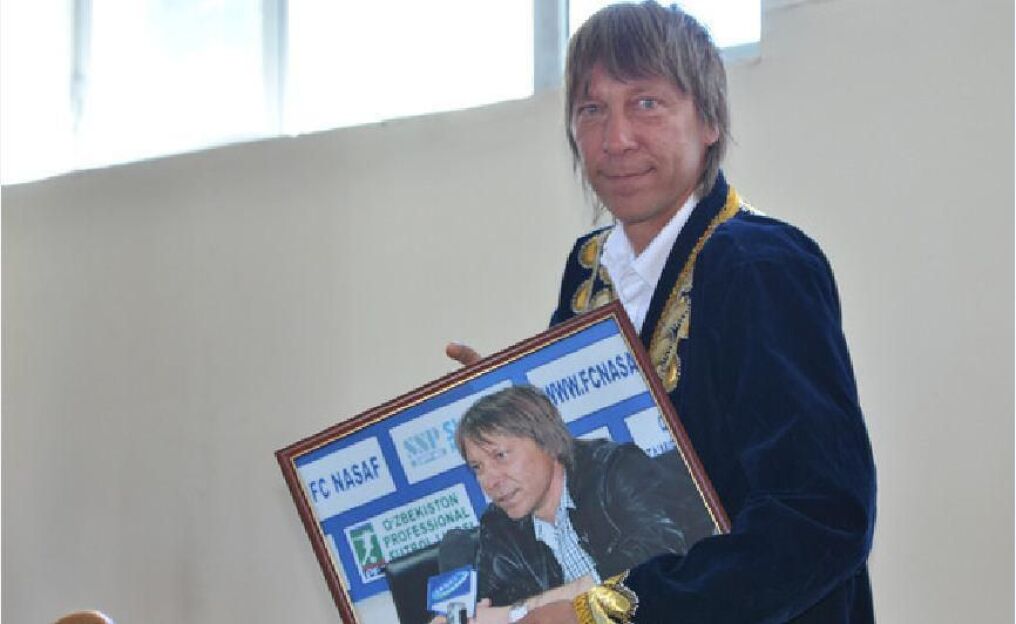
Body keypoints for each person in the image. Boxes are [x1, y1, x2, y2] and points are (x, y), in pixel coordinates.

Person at [446, 2, 876, 623]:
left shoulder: (758, 266)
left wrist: (605, 612)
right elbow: (589, 483)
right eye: (592, 110)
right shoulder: (589, 271)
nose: (616, 139)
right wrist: (517, 414)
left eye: (646, 103)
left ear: (709, 120)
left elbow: (820, 517)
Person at [453, 385, 691, 623]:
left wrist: (522, 611)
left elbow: (660, 553)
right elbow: (491, 608)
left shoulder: (614, 468)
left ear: (547, 443)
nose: (490, 481)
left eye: (500, 456)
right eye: (477, 467)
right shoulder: (498, 526)